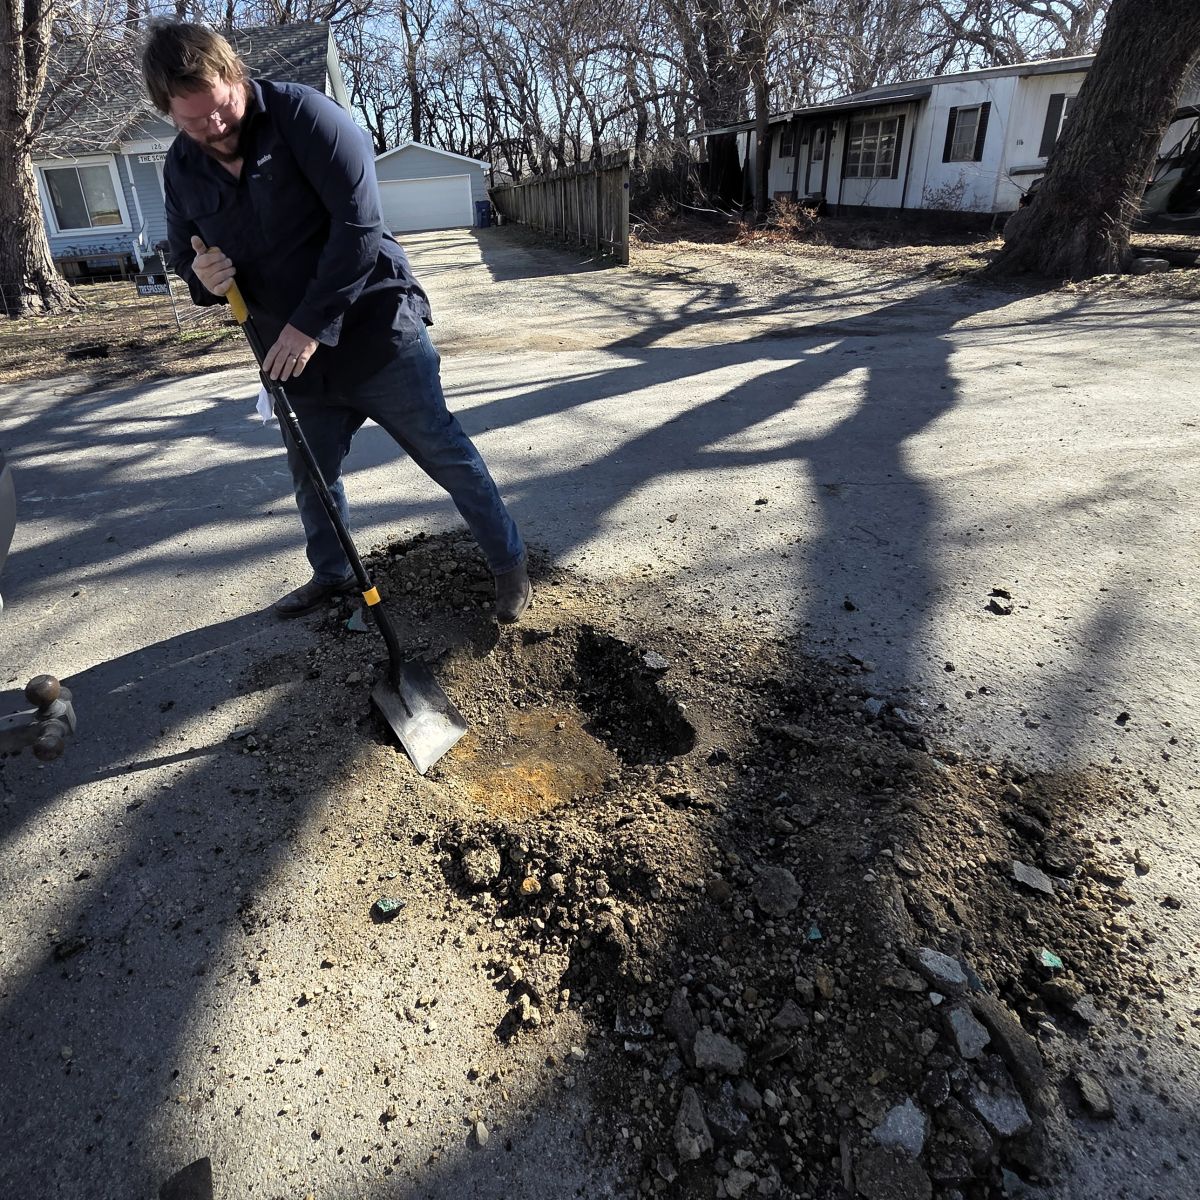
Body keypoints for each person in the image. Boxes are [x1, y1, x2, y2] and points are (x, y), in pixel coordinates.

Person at [142, 21, 531, 622]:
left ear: (235, 78)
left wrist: (308, 325)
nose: (214, 129)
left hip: (378, 334)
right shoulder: (181, 170)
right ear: (168, 112)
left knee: (445, 453)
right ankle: (334, 574)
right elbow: (187, 263)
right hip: (290, 357)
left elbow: (358, 231)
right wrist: (206, 278)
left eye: (220, 110)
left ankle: (508, 564)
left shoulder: (307, 118)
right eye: (193, 122)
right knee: (312, 478)